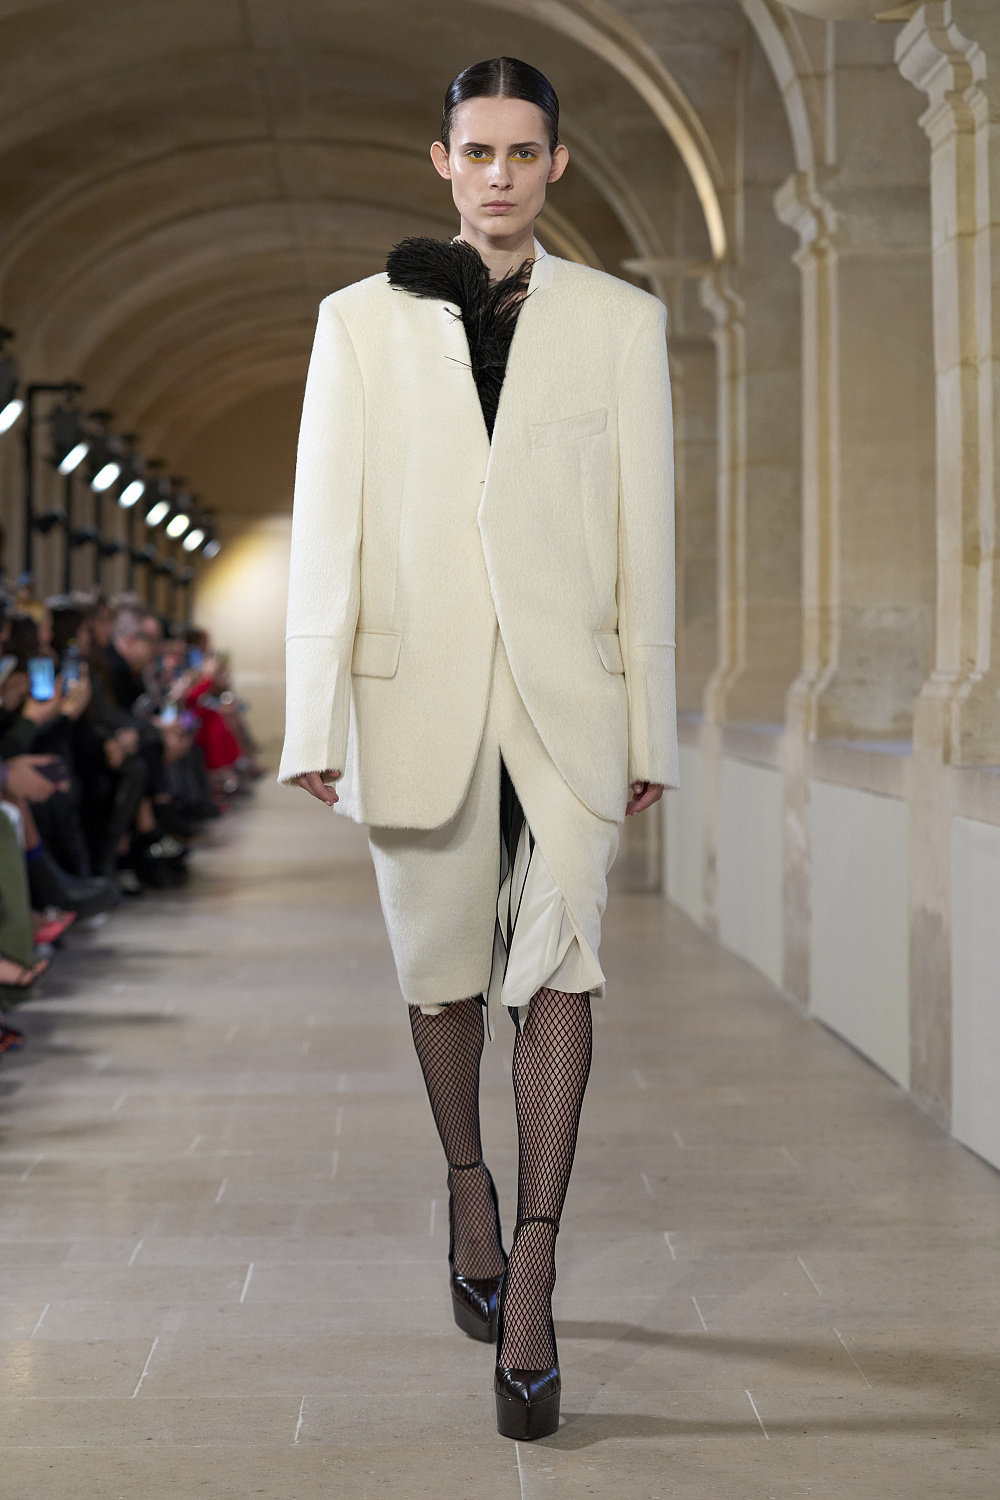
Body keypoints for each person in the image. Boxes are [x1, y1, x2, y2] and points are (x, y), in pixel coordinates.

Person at [279, 56, 677, 1442]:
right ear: (441, 161)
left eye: (524, 151)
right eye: (478, 150)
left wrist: (651, 718)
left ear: (557, 164)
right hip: (416, 697)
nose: (501, 174)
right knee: (443, 979)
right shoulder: (357, 323)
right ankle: (468, 1184)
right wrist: (313, 715)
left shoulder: (621, 321)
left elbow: (645, 534)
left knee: (560, 965)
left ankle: (536, 1286)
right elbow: (328, 523)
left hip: (572, 703)